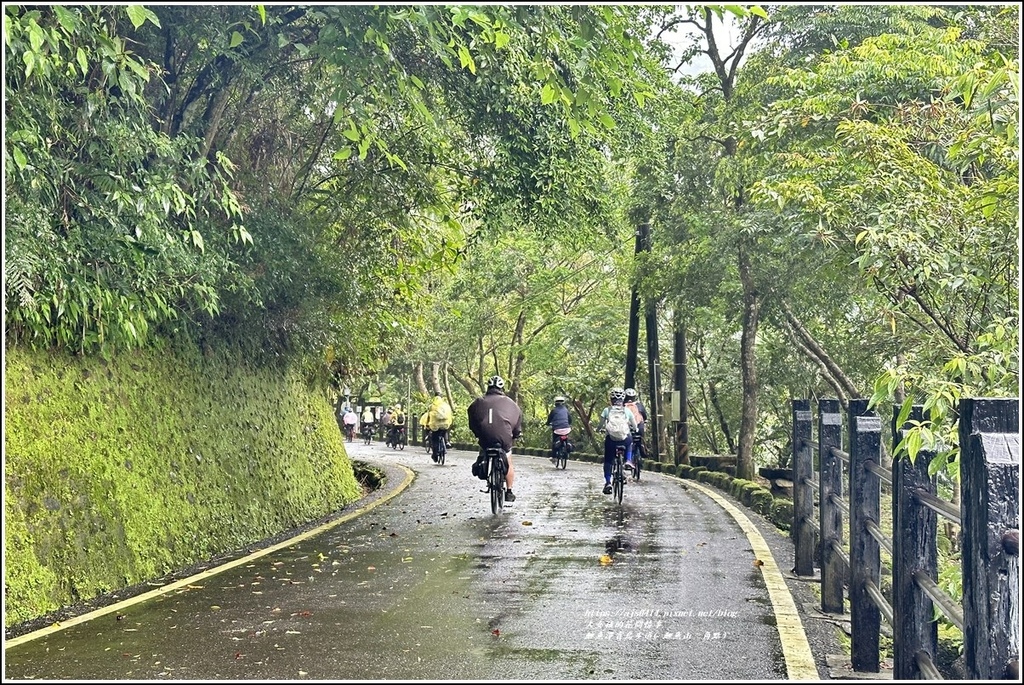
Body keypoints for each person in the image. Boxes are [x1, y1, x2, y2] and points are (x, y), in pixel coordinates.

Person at [467, 375, 523, 502]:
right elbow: (517, 420)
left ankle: (483, 464)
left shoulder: (478, 402)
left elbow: (472, 418)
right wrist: (516, 433)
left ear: (488, 387)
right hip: (504, 438)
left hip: (485, 438)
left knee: (483, 449)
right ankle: (509, 491)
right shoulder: (511, 403)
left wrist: (477, 432)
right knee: (508, 461)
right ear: (502, 388)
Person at [596, 387, 638, 495]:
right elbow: (634, 424)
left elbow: (601, 425)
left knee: (608, 461)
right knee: (630, 441)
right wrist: (636, 429)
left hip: (611, 439)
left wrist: (598, 429)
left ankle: (608, 482)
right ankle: (628, 460)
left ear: (611, 399)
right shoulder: (627, 411)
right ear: (623, 400)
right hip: (624, 439)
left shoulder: (607, 410)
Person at [426, 392, 454, 462]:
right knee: (444, 432)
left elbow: (429, 416)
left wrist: (427, 424)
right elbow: (450, 415)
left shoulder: (432, 406)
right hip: (445, 425)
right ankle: (447, 442)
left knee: (434, 439)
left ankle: (435, 454)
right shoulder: (445, 405)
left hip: (435, 426)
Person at [545, 395, 573, 463]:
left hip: (557, 429)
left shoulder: (553, 410)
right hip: (566, 428)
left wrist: (547, 424)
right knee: (567, 437)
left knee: (554, 441)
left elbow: (549, 419)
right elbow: (570, 419)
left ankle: (554, 457)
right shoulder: (566, 410)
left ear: (555, 403)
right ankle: (567, 446)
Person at [624, 387, 648, 463]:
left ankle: (626, 458)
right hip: (639, 427)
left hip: (626, 428)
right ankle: (643, 451)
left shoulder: (623, 406)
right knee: (641, 439)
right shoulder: (639, 405)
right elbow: (644, 416)